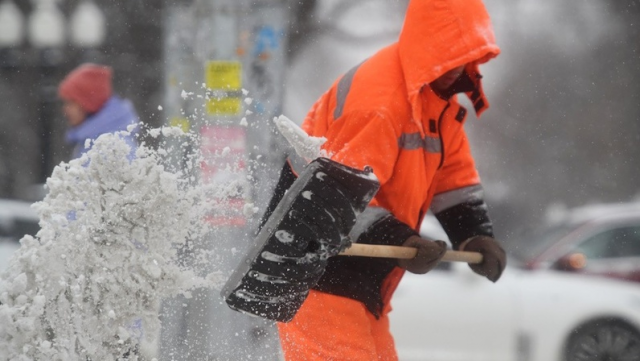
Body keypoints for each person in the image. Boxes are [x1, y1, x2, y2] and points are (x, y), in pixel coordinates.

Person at [276, 0, 507, 359]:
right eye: (450, 54)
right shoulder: (378, 103)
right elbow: (337, 198)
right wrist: (402, 240)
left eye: (466, 55)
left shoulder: (437, 104)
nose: (458, 66)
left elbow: (452, 178)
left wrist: (474, 233)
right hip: (315, 271)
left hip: (360, 279)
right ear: (426, 46)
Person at [58, 63, 139, 161]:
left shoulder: (112, 148)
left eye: (71, 103)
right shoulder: (93, 142)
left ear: (88, 103)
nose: (65, 109)